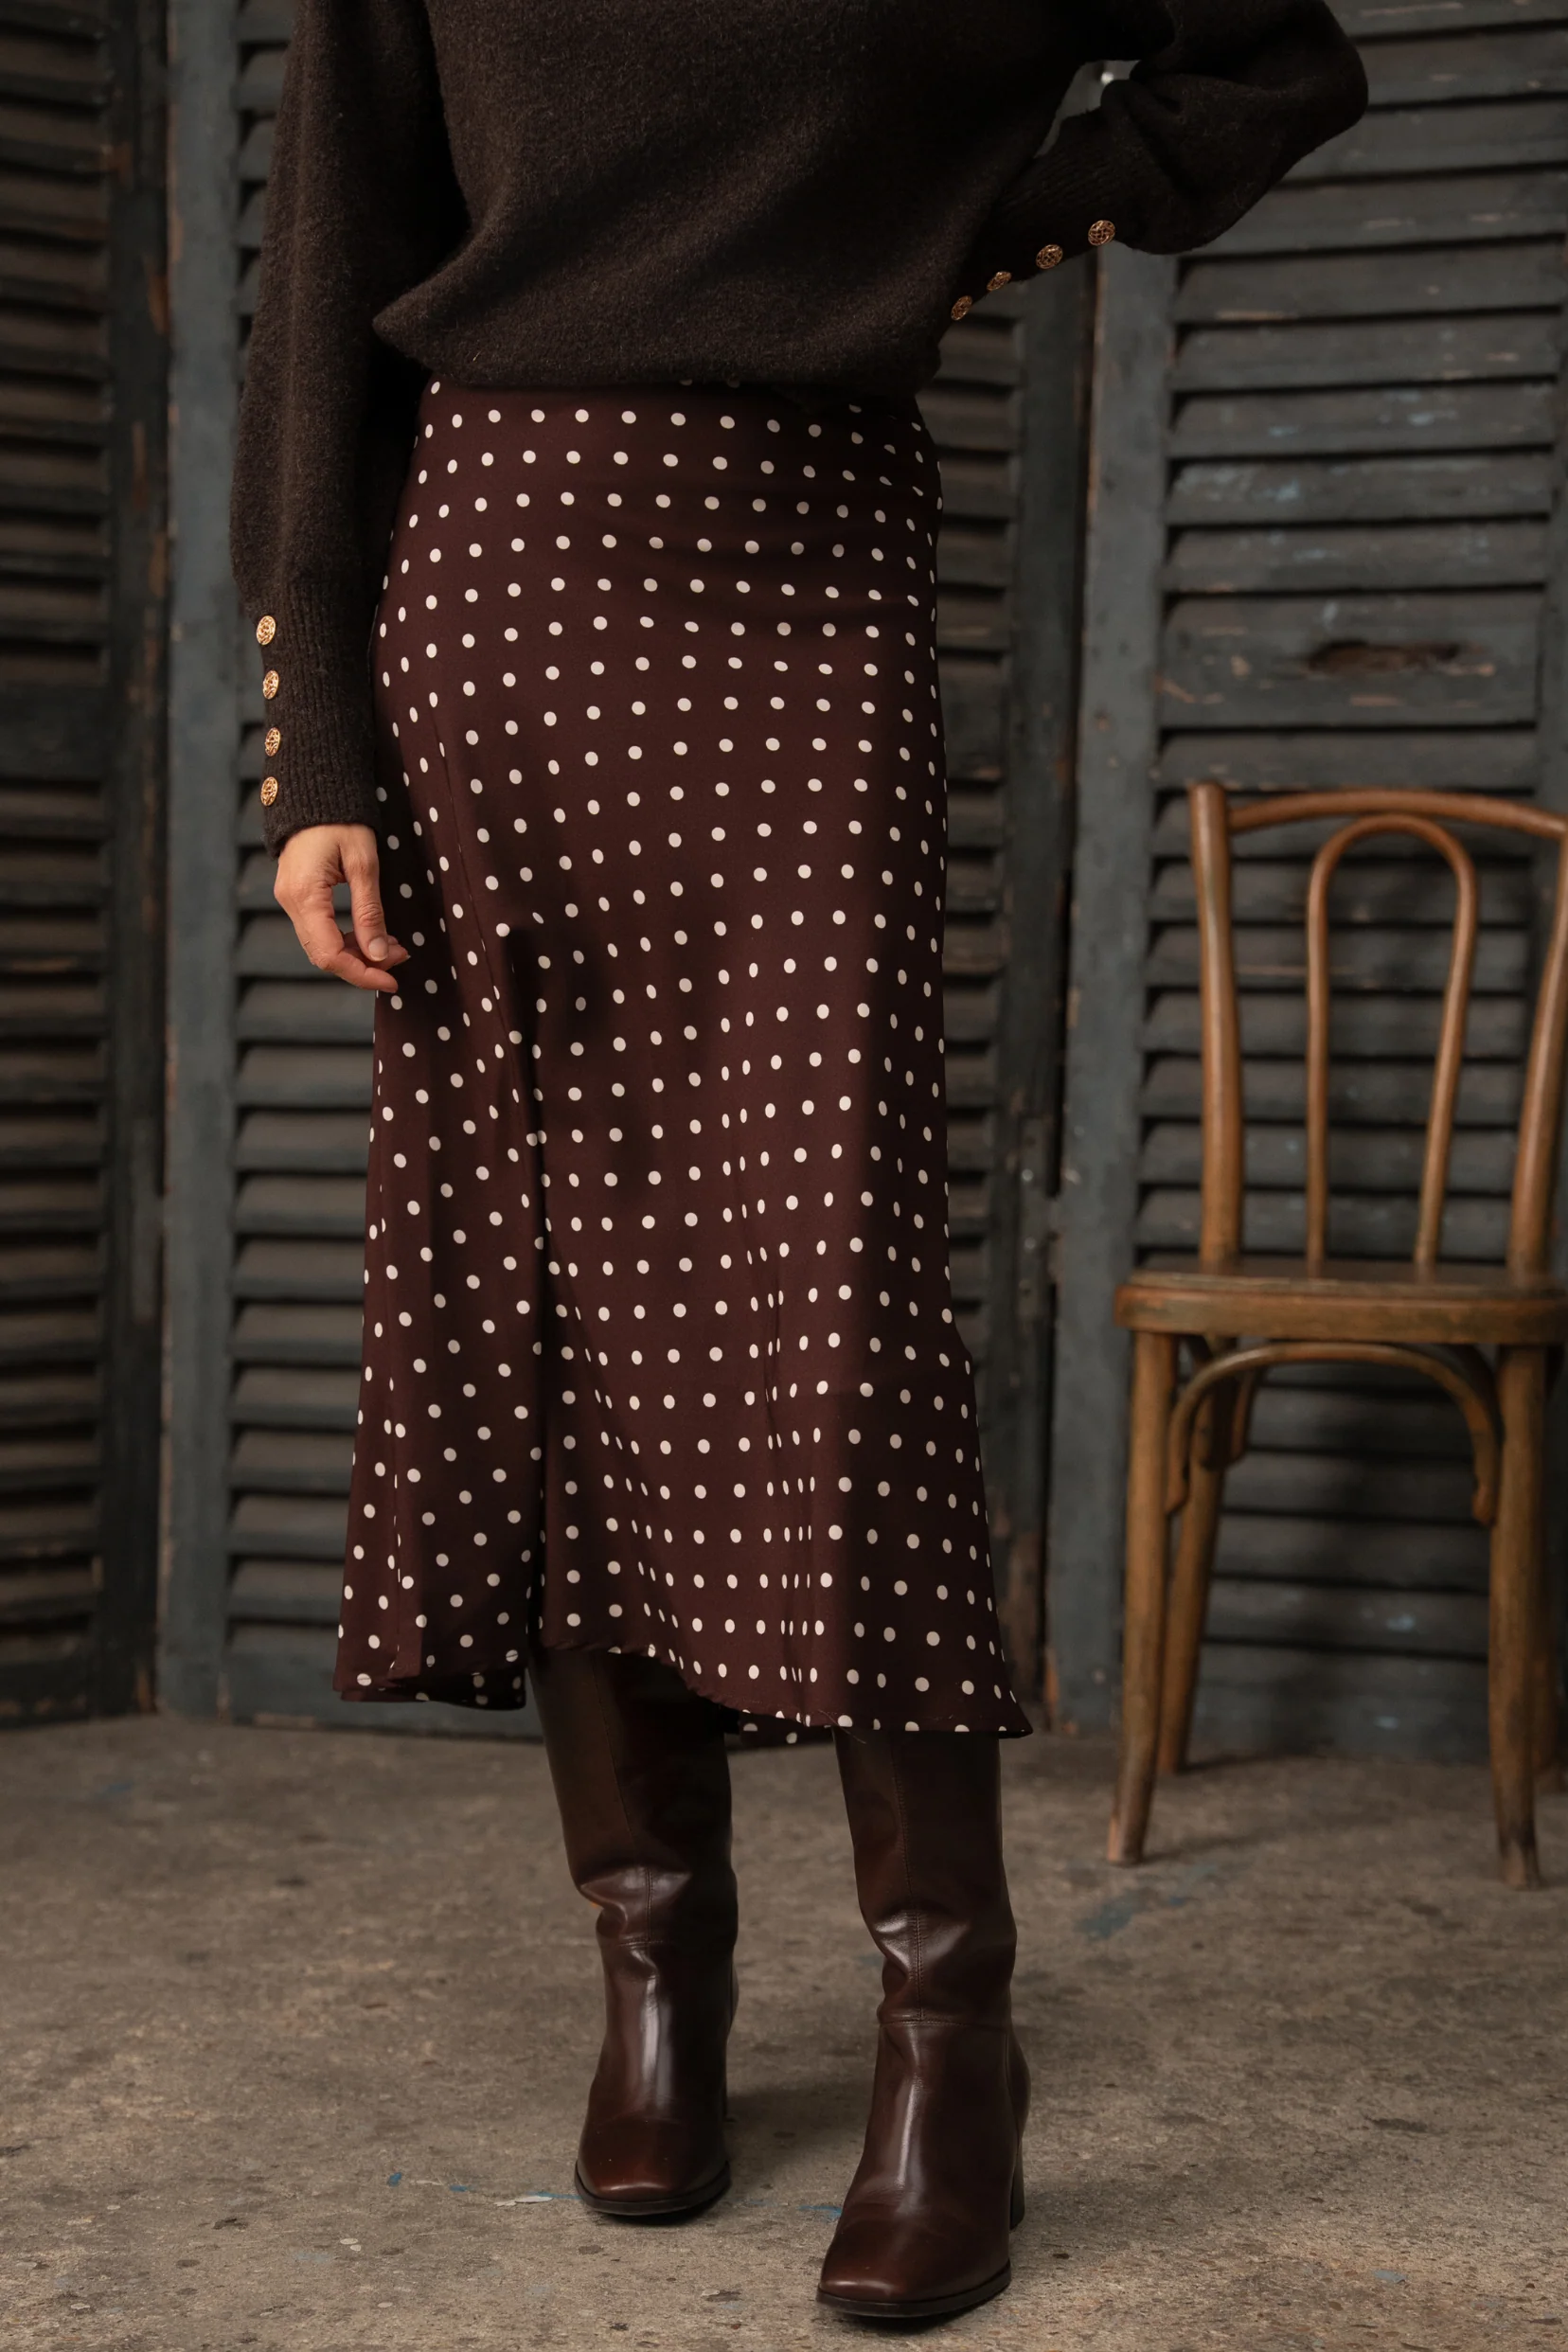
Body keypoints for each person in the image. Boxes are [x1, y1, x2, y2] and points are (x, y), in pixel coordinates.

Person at [231, 0, 1364, 2319]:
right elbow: (329, 270)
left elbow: (1272, 60)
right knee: (550, 1284)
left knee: (826, 1303)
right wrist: (321, 736)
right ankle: (657, 1966)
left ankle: (952, 2031)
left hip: (800, 565)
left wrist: (974, 223)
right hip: (496, 577)